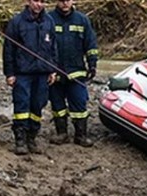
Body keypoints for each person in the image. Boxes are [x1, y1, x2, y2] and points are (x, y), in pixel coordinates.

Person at [2, 0, 58, 155]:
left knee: (38, 105)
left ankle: (31, 138)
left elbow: (53, 48)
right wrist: (10, 73)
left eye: (42, 1)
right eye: (35, 1)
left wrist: (53, 70)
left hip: (42, 73)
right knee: (22, 105)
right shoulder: (16, 22)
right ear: (28, 1)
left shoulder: (49, 21)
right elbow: (8, 49)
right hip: (23, 73)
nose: (38, 5)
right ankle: (20, 140)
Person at [48, 0, 99, 147]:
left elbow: (91, 44)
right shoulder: (48, 19)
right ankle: (61, 133)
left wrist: (92, 64)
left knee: (79, 104)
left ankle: (81, 135)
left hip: (76, 72)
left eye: (67, 0)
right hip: (54, 72)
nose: (64, 3)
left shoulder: (82, 20)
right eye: (61, 0)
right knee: (57, 104)